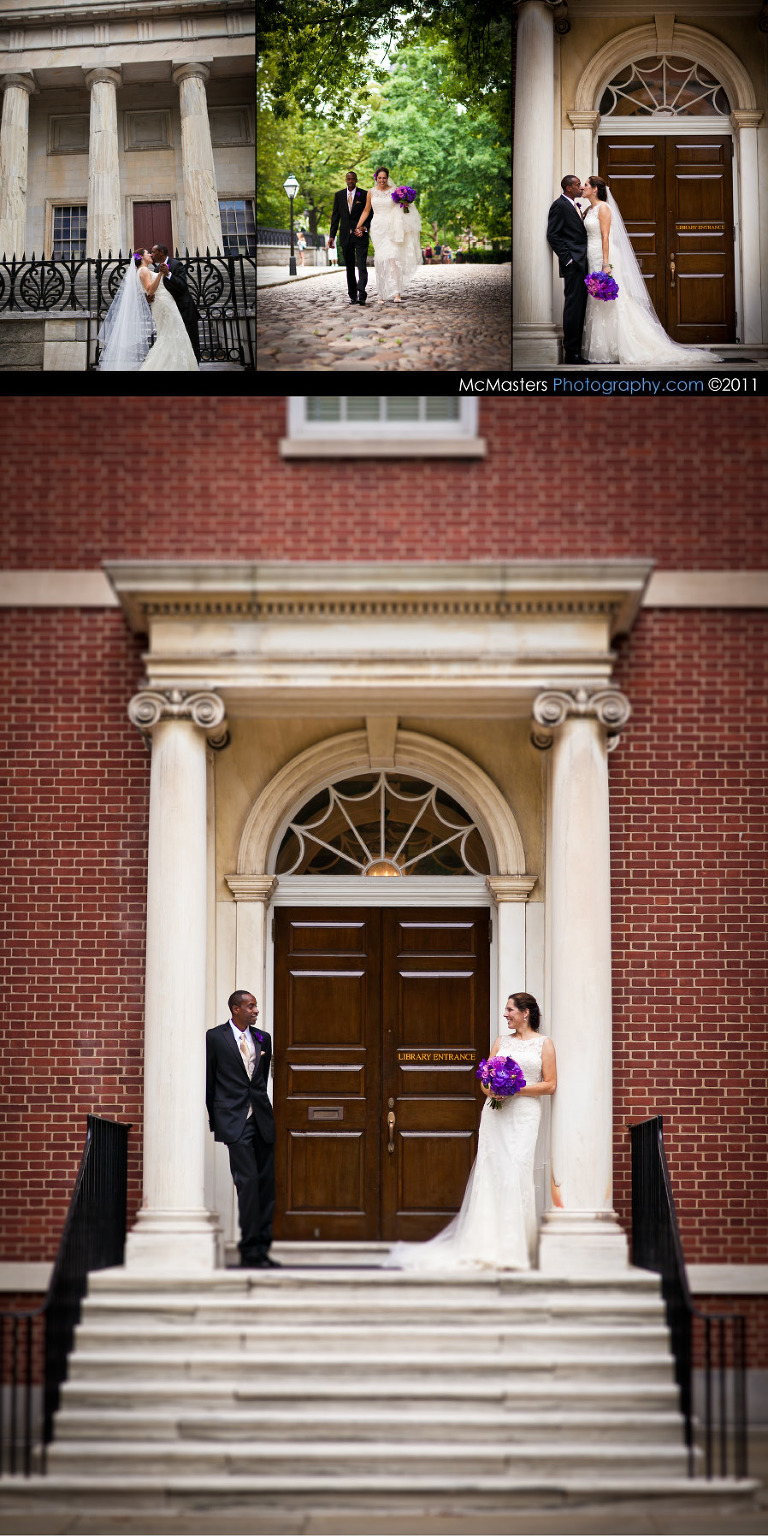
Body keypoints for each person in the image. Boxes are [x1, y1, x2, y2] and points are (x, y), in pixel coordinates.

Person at [384, 992, 556, 1272]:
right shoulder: (501, 1042)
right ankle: (485, 1247)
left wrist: (514, 1088)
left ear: (526, 1013)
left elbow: (549, 1085)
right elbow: (485, 1081)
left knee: (515, 1171)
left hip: (524, 1114)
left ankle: (513, 1250)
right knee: (491, 1172)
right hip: (496, 1114)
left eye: (510, 1010)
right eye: (506, 1010)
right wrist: (493, 1089)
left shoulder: (544, 1045)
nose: (505, 1014)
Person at [580, 176, 717, 368]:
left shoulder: (603, 208)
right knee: (597, 299)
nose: (582, 188)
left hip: (605, 256)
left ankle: (626, 346)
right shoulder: (589, 209)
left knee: (613, 299)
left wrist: (605, 264)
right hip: (591, 256)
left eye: (586, 185)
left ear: (595, 189)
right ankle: (605, 348)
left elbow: (605, 237)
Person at [205, 989, 280, 1269]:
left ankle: (262, 1250)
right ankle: (250, 1253)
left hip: (261, 1119)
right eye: (250, 1006)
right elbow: (210, 1081)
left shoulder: (263, 1038)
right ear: (235, 1009)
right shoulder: (216, 1037)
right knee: (247, 1185)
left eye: (256, 1006)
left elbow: (259, 1080)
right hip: (235, 1121)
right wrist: (217, 1120)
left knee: (266, 1188)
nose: (255, 1010)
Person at [97, 249, 199, 371]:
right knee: (171, 334)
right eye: (148, 253)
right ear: (141, 257)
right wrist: (161, 274)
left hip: (165, 303)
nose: (151, 254)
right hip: (164, 305)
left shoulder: (145, 270)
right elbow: (150, 290)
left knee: (171, 335)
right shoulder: (144, 270)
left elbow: (148, 290)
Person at [354, 166, 422, 305]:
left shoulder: (394, 191)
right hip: (378, 227)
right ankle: (382, 293)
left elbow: (401, 208)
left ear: (387, 178)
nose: (382, 180)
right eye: (380, 178)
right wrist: (358, 226)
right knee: (380, 259)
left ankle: (397, 292)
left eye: (384, 178)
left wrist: (406, 203)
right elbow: (367, 210)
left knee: (393, 258)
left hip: (392, 227)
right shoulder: (371, 192)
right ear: (376, 178)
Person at [546, 174, 589, 364]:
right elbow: (553, 235)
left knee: (580, 308)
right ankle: (572, 353)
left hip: (584, 264)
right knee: (573, 308)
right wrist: (568, 260)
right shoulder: (559, 205)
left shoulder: (574, 205)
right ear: (568, 188)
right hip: (574, 265)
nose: (581, 188)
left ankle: (577, 350)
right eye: (578, 185)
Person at [327, 171, 372, 306]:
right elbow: (335, 217)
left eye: (353, 179)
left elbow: (370, 214)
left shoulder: (364, 194)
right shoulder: (339, 195)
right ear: (346, 180)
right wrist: (331, 236)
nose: (351, 181)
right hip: (345, 236)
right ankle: (353, 295)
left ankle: (362, 293)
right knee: (350, 267)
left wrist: (364, 228)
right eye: (348, 179)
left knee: (362, 265)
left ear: (356, 180)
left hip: (361, 236)